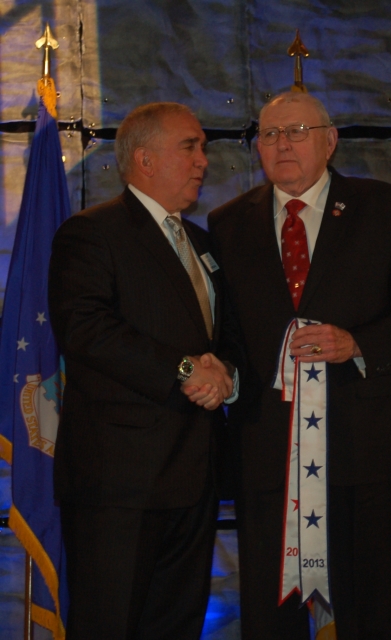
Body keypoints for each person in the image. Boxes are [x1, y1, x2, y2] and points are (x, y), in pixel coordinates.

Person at [208, 92, 391, 640]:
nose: (282, 144)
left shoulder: (386, 208)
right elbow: (230, 335)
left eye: (297, 131)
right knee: (271, 621)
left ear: (330, 140)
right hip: (268, 462)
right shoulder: (227, 223)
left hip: (367, 456)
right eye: (269, 134)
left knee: (367, 616)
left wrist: (356, 343)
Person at [48, 102, 239, 640]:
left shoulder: (202, 243)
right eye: (190, 147)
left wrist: (223, 370)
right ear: (145, 159)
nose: (203, 160)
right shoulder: (91, 232)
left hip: (194, 478)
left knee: (176, 626)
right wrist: (184, 369)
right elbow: (86, 329)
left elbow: (220, 340)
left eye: (203, 148)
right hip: (120, 485)